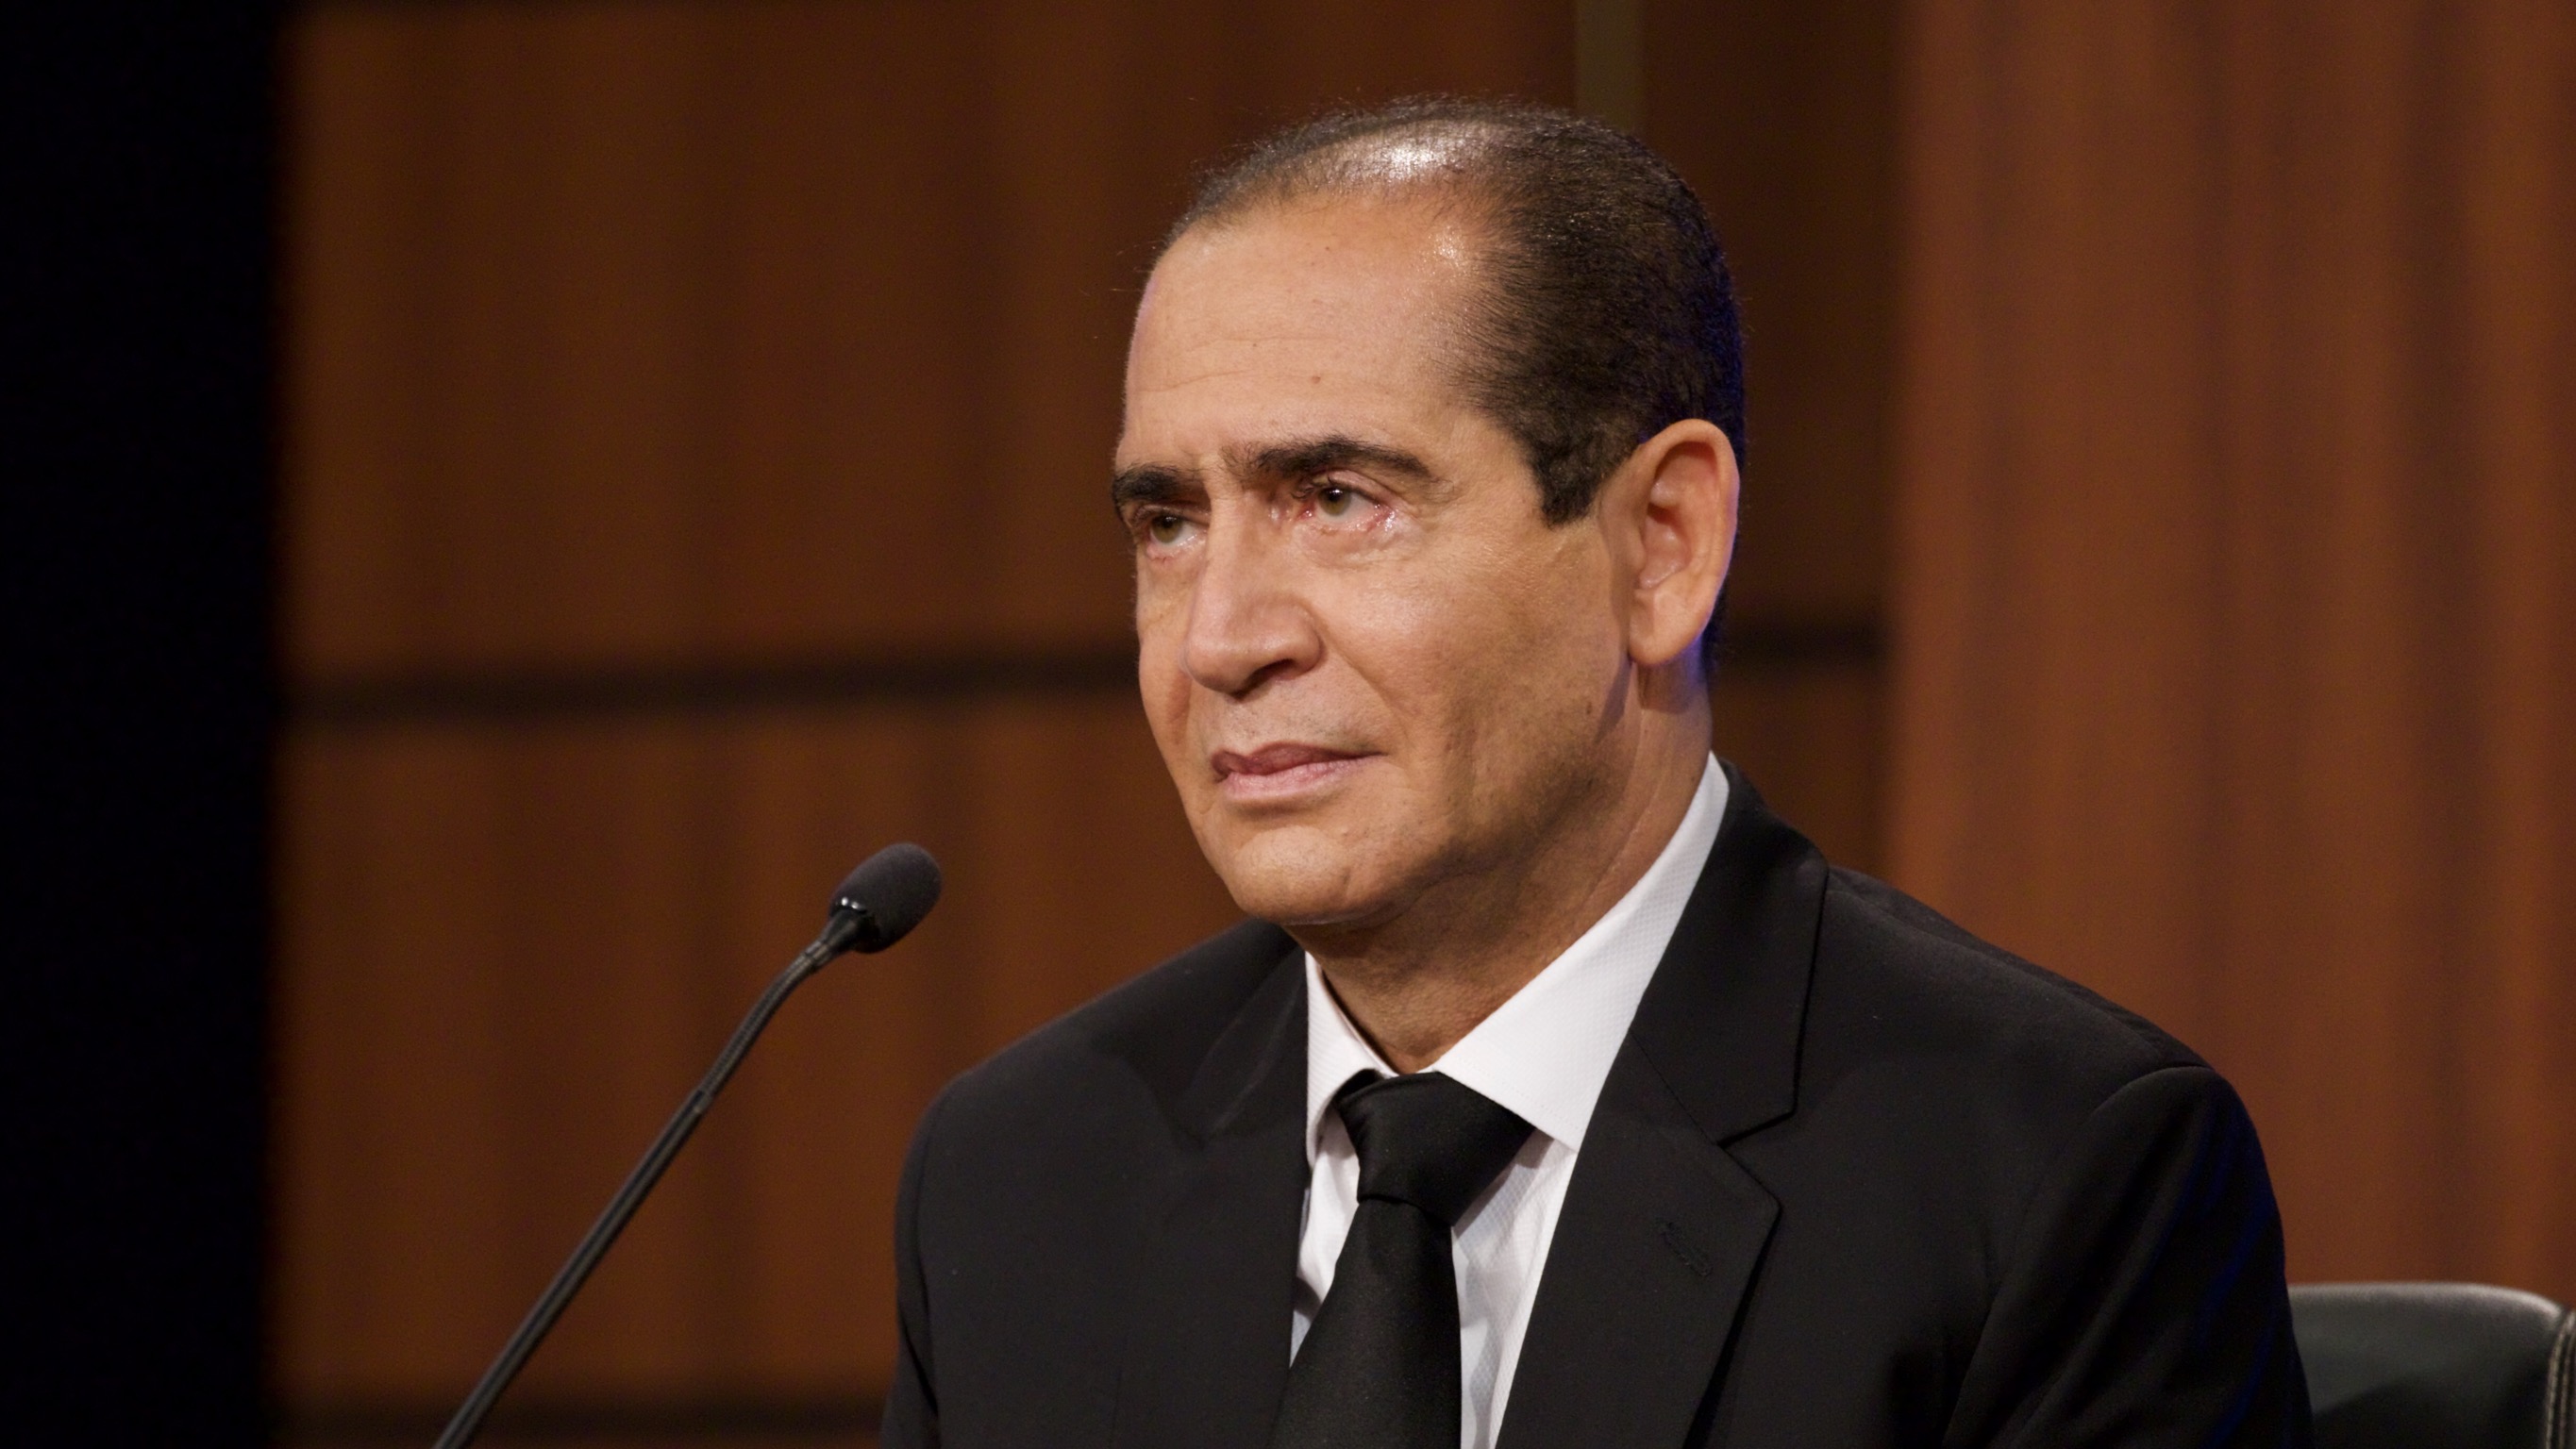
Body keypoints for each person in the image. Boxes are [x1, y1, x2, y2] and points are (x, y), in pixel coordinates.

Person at [881, 98, 2308, 1449]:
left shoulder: (2046, 1174)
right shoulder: (1018, 1181)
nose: (1220, 640)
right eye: (1168, 525)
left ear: (1662, 545)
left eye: (1339, 500)